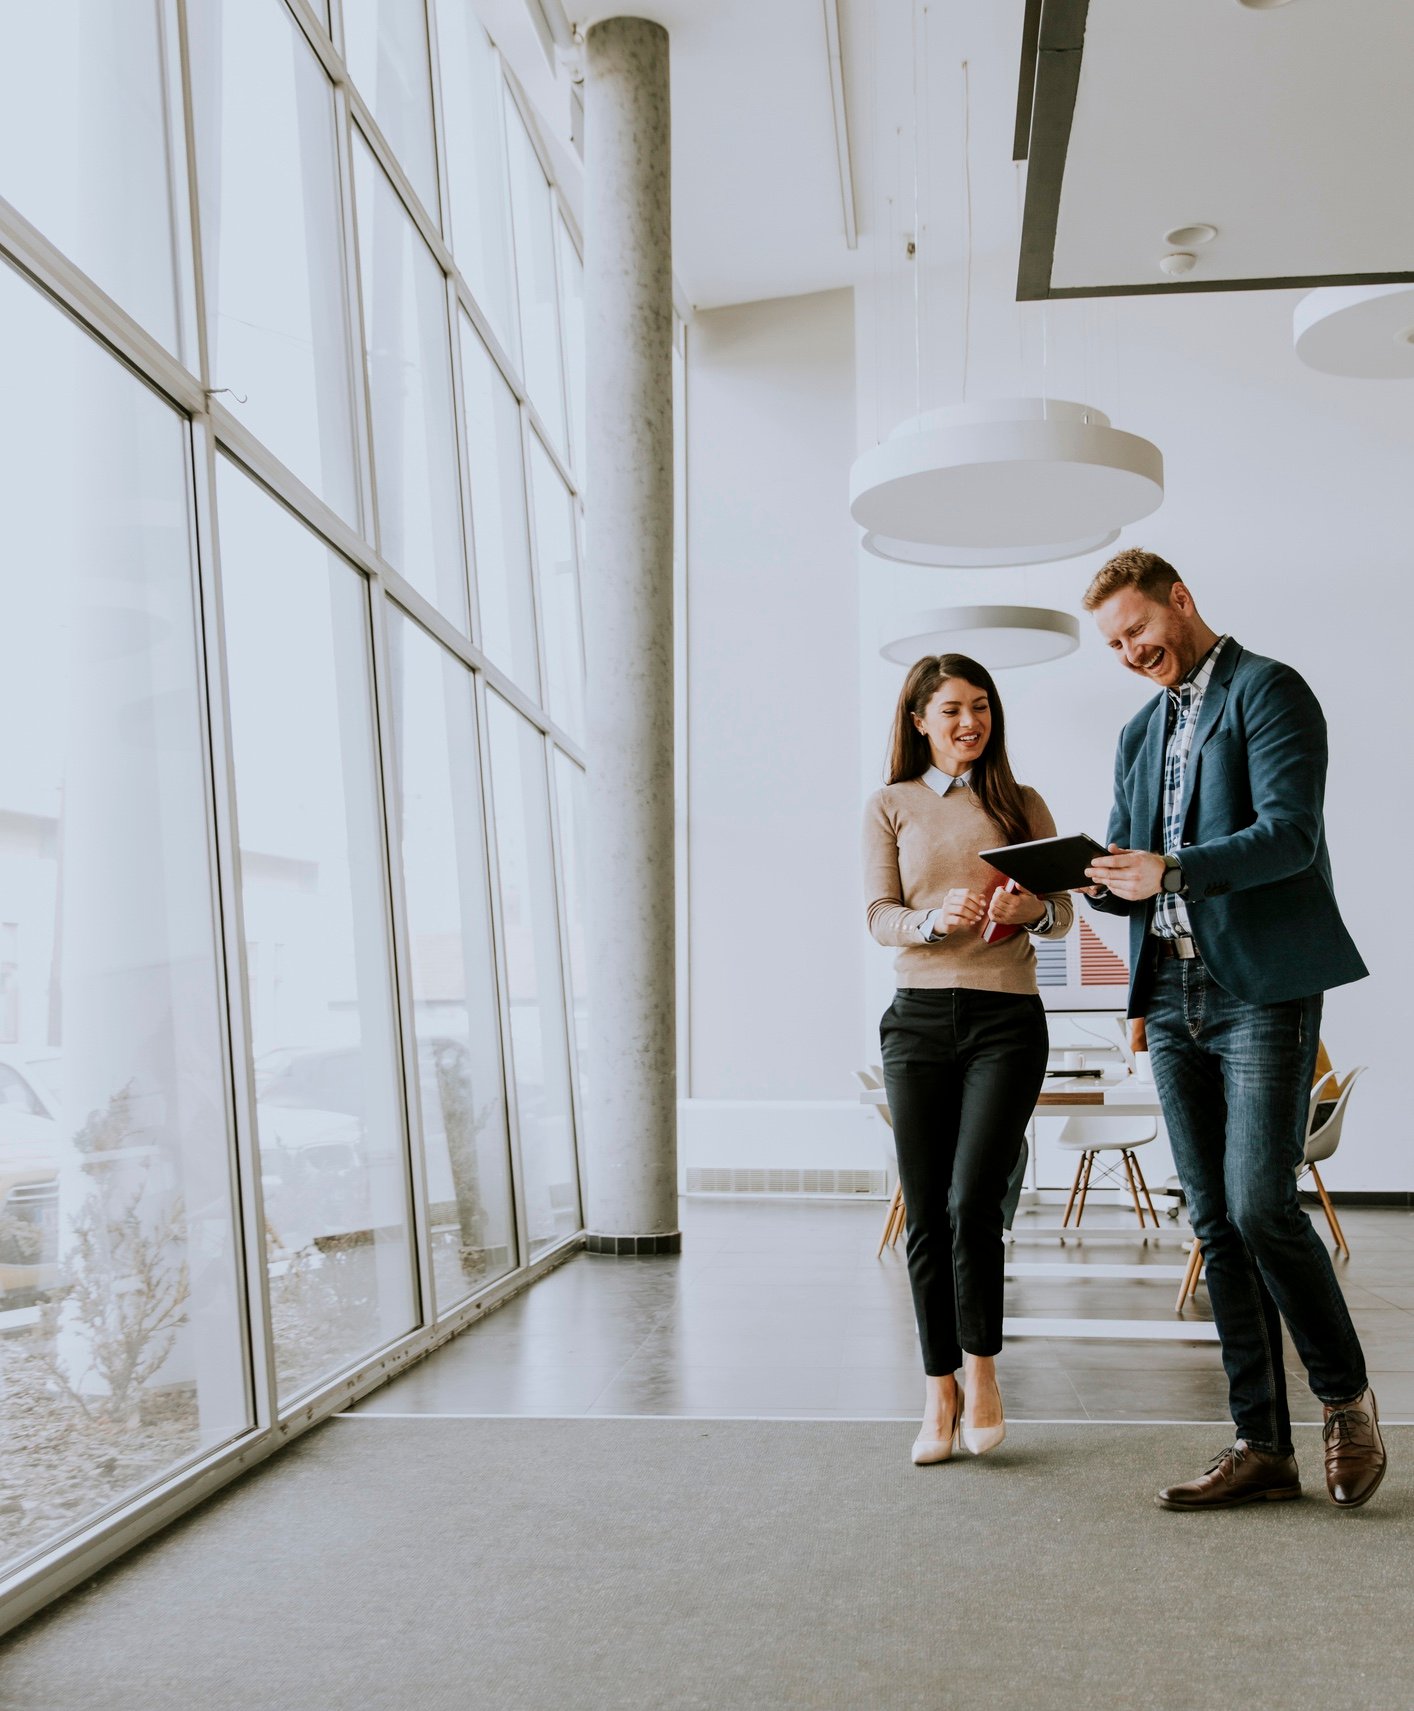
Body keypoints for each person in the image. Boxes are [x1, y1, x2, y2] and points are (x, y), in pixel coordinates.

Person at [1081, 546, 1384, 1510]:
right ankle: (1262, 1443)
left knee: (1260, 1204)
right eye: (1116, 642)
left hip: (1259, 988)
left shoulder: (1269, 691)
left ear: (1181, 600)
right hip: (1170, 996)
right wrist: (1075, 879)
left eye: (1139, 629)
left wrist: (1169, 871)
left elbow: (1290, 835)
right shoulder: (1137, 732)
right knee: (1212, 1220)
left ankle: (1345, 1401)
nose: (1131, 651)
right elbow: (1129, 863)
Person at [863, 654, 1073, 1466]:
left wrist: (1033, 910)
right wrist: (930, 920)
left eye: (980, 706)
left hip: (1008, 1020)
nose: (969, 723)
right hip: (917, 1021)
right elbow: (878, 913)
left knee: (974, 1199)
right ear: (919, 718)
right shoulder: (889, 804)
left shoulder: (1021, 803)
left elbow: (1062, 913)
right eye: (951, 709)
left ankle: (984, 1373)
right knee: (926, 1208)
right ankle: (938, 1386)